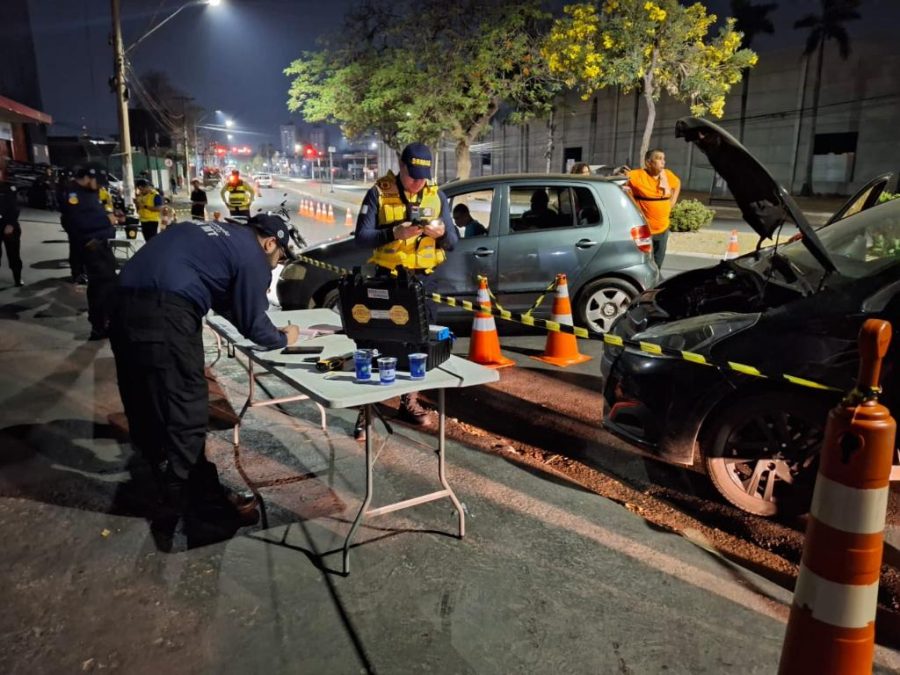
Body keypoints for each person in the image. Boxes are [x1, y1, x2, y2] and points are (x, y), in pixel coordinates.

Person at [109, 214, 300, 537]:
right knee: (187, 409)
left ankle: (157, 471)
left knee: (143, 396)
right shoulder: (253, 255)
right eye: (280, 256)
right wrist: (283, 338)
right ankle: (196, 504)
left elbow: (225, 298)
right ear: (270, 243)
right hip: (165, 312)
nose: (277, 262)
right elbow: (253, 323)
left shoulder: (214, 233)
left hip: (120, 304)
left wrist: (259, 324)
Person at [352, 142, 458, 441]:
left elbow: (453, 241)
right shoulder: (378, 192)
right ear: (401, 166)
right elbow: (361, 238)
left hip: (424, 282)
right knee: (378, 342)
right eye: (413, 175)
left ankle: (408, 400)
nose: (418, 182)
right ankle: (366, 410)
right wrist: (393, 233)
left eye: (423, 175)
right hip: (388, 281)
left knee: (420, 344)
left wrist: (441, 234)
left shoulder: (437, 195)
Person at [60, 166, 118, 339]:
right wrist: (106, 220)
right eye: (98, 182)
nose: (100, 186)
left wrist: (111, 219)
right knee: (101, 287)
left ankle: (104, 322)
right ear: (87, 177)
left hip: (101, 245)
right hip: (91, 247)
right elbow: (77, 223)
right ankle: (99, 326)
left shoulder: (89, 193)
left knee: (107, 284)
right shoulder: (72, 195)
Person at [624, 148, 681, 268]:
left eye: (664, 159)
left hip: (663, 228)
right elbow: (619, 181)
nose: (663, 162)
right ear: (648, 163)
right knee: (643, 263)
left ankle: (656, 283)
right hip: (644, 230)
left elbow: (677, 183)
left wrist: (673, 201)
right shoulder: (636, 176)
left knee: (658, 263)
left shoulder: (667, 175)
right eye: (659, 159)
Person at [0, 166, 24, 287]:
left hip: (9, 226)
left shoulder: (9, 188)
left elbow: (15, 207)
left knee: (14, 254)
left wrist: (10, 224)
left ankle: (17, 278)